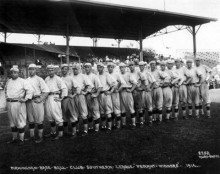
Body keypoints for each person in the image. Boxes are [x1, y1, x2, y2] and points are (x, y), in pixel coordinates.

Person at [5, 67, 33, 145]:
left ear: (18, 73)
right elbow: (5, 91)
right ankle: (14, 138)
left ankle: (21, 139)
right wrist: (7, 99)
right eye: (12, 72)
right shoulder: (8, 81)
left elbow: (30, 90)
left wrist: (26, 98)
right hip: (10, 103)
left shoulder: (23, 81)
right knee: (12, 122)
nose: (13, 74)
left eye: (15, 72)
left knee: (20, 121)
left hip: (18, 103)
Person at [26, 64, 49, 143]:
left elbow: (46, 91)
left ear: (36, 70)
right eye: (30, 69)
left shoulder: (39, 79)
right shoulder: (26, 80)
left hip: (37, 101)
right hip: (29, 101)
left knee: (39, 120)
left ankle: (40, 137)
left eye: (33, 69)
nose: (31, 71)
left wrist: (41, 99)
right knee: (31, 120)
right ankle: (32, 136)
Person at [44, 65, 68, 140]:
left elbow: (64, 88)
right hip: (48, 97)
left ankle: (60, 134)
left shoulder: (58, 78)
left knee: (57, 115)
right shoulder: (46, 79)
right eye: (49, 70)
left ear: (54, 71)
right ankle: (53, 132)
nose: (50, 72)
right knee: (50, 116)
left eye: (52, 70)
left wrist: (61, 98)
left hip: (55, 97)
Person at [72, 63, 93, 136]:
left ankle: (85, 130)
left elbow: (89, 85)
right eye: (73, 69)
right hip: (73, 96)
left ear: (79, 69)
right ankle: (76, 129)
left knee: (84, 113)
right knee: (75, 113)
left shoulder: (83, 76)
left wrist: (85, 91)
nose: (75, 70)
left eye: (76, 69)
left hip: (81, 95)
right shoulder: (71, 76)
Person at [61, 64, 80, 138]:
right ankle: (65, 131)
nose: (64, 70)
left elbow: (77, 88)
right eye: (63, 69)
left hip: (69, 98)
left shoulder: (71, 78)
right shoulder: (60, 78)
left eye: (65, 69)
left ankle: (74, 133)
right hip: (62, 99)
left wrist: (73, 95)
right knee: (64, 116)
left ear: (68, 70)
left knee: (72, 115)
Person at [97, 62, 116, 133]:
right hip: (99, 94)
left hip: (106, 94)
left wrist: (110, 92)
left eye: (100, 67)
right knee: (102, 112)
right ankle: (103, 126)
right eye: (98, 67)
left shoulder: (106, 75)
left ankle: (109, 127)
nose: (99, 68)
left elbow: (114, 84)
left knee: (108, 111)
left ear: (103, 68)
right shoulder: (97, 75)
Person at [107, 62, 126, 129]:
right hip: (108, 94)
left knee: (117, 109)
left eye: (111, 67)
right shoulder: (106, 74)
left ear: (113, 67)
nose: (110, 68)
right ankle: (113, 124)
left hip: (115, 93)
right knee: (110, 109)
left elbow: (123, 83)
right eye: (108, 67)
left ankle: (118, 125)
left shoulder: (116, 74)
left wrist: (118, 89)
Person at [84, 63, 103, 133]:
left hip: (92, 95)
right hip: (85, 95)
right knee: (88, 113)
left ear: (91, 68)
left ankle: (97, 129)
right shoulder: (83, 76)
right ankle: (90, 127)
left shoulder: (94, 76)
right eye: (85, 67)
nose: (86, 68)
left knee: (95, 111)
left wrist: (96, 94)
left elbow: (100, 86)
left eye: (88, 67)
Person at [119, 62, 137, 129]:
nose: (121, 68)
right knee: (122, 108)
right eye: (120, 67)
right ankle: (123, 124)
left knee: (131, 107)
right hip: (121, 92)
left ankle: (134, 124)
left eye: (123, 67)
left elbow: (135, 83)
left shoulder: (129, 74)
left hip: (127, 91)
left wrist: (131, 90)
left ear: (125, 68)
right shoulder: (119, 75)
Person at [129, 61, 146, 127]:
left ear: (134, 66)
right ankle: (135, 121)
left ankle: (141, 122)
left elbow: (144, 80)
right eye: (130, 65)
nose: (131, 66)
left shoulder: (138, 73)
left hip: (138, 91)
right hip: (132, 91)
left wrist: (142, 88)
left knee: (139, 107)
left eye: (132, 65)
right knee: (133, 107)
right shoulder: (129, 73)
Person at [139, 61, 156, 126]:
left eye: (142, 65)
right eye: (140, 65)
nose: (141, 67)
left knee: (149, 106)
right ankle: (141, 122)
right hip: (141, 91)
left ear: (144, 66)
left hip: (147, 92)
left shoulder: (148, 73)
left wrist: (150, 89)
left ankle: (150, 121)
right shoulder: (138, 73)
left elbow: (153, 82)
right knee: (141, 107)